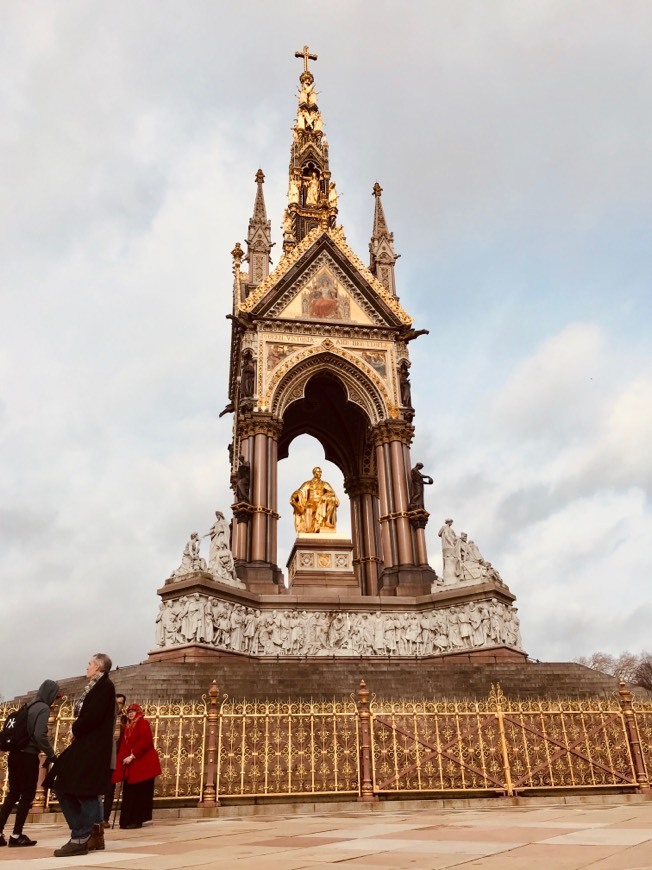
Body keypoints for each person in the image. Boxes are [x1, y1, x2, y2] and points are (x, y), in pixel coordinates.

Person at [44, 653, 116, 858]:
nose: (87, 667)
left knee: (84, 790)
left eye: (90, 664)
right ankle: (87, 832)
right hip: (85, 744)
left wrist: (75, 728)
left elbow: (92, 716)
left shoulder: (105, 687)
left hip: (91, 747)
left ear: (99, 668)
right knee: (63, 784)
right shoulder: (97, 686)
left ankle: (80, 837)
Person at [0, 679, 60, 848]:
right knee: (26, 796)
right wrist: (51, 754)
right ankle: (16, 835)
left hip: (14, 755)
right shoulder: (43, 708)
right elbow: (40, 734)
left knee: (12, 794)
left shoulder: (27, 706)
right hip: (28, 755)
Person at [113, 704, 161, 829]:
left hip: (143, 763)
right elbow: (124, 744)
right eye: (129, 712)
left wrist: (132, 755)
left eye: (133, 711)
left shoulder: (143, 723)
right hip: (132, 764)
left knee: (140, 792)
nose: (130, 714)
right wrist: (123, 757)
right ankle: (126, 820)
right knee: (130, 791)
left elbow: (146, 741)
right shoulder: (127, 727)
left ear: (138, 712)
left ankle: (137, 819)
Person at [102, 693, 127, 828]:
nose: (118, 705)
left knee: (110, 789)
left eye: (121, 703)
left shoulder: (124, 719)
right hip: (103, 754)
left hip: (115, 756)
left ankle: (104, 818)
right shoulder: (105, 717)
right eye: (116, 702)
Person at [290, 467, 339, 533]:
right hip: (311, 503)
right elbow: (300, 491)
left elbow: (332, 493)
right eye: (318, 472)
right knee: (309, 509)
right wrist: (294, 496)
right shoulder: (308, 483)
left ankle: (327, 520)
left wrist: (326, 495)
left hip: (321, 503)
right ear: (314, 473)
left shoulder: (325, 484)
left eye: (320, 472)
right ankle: (309, 529)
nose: (320, 473)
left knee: (332, 500)